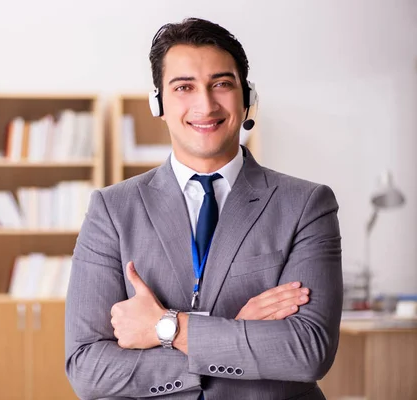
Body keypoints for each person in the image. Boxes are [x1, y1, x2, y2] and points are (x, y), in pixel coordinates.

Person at [65, 17, 342, 400]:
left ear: (247, 97)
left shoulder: (306, 204)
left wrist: (169, 329)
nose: (205, 104)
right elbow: (87, 369)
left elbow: (306, 352)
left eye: (222, 84)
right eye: (184, 87)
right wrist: (233, 334)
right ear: (158, 102)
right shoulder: (112, 209)